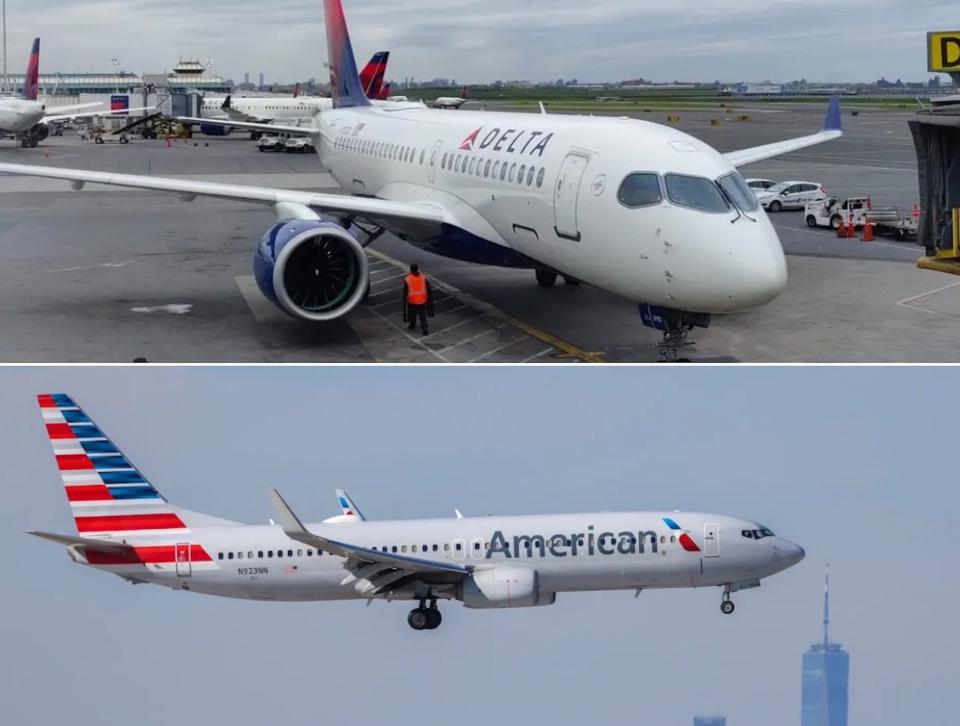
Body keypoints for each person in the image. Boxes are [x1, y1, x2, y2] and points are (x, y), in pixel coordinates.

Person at [402, 263, 433, 335]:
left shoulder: (408, 279)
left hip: (412, 300)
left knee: (412, 314)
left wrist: (405, 299)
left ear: (411, 270)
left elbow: (405, 291)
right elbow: (428, 288)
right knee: (422, 315)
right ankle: (424, 328)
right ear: (417, 269)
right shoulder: (423, 277)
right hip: (422, 299)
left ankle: (412, 325)